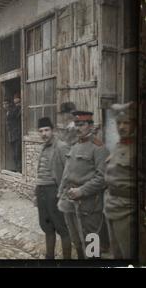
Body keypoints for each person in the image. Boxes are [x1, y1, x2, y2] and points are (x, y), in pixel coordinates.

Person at [57, 111, 109, 258]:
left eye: (83, 125)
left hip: (89, 204)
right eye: (77, 124)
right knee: (77, 242)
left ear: (91, 126)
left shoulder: (99, 148)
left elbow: (102, 178)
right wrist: (61, 193)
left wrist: (82, 191)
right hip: (70, 201)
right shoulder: (74, 146)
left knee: (91, 244)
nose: (78, 128)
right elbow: (67, 172)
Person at [104, 102, 137, 259]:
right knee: (116, 255)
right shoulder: (118, 146)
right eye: (119, 123)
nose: (122, 127)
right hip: (111, 207)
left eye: (126, 123)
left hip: (127, 211)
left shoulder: (138, 149)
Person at [36, 117, 72, 259]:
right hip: (42, 192)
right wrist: (36, 193)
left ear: (53, 131)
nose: (44, 134)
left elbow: (68, 172)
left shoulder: (61, 147)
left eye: (46, 130)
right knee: (47, 228)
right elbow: (40, 171)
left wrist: (63, 194)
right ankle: (49, 258)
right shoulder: (42, 147)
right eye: (41, 131)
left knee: (62, 229)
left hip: (54, 191)